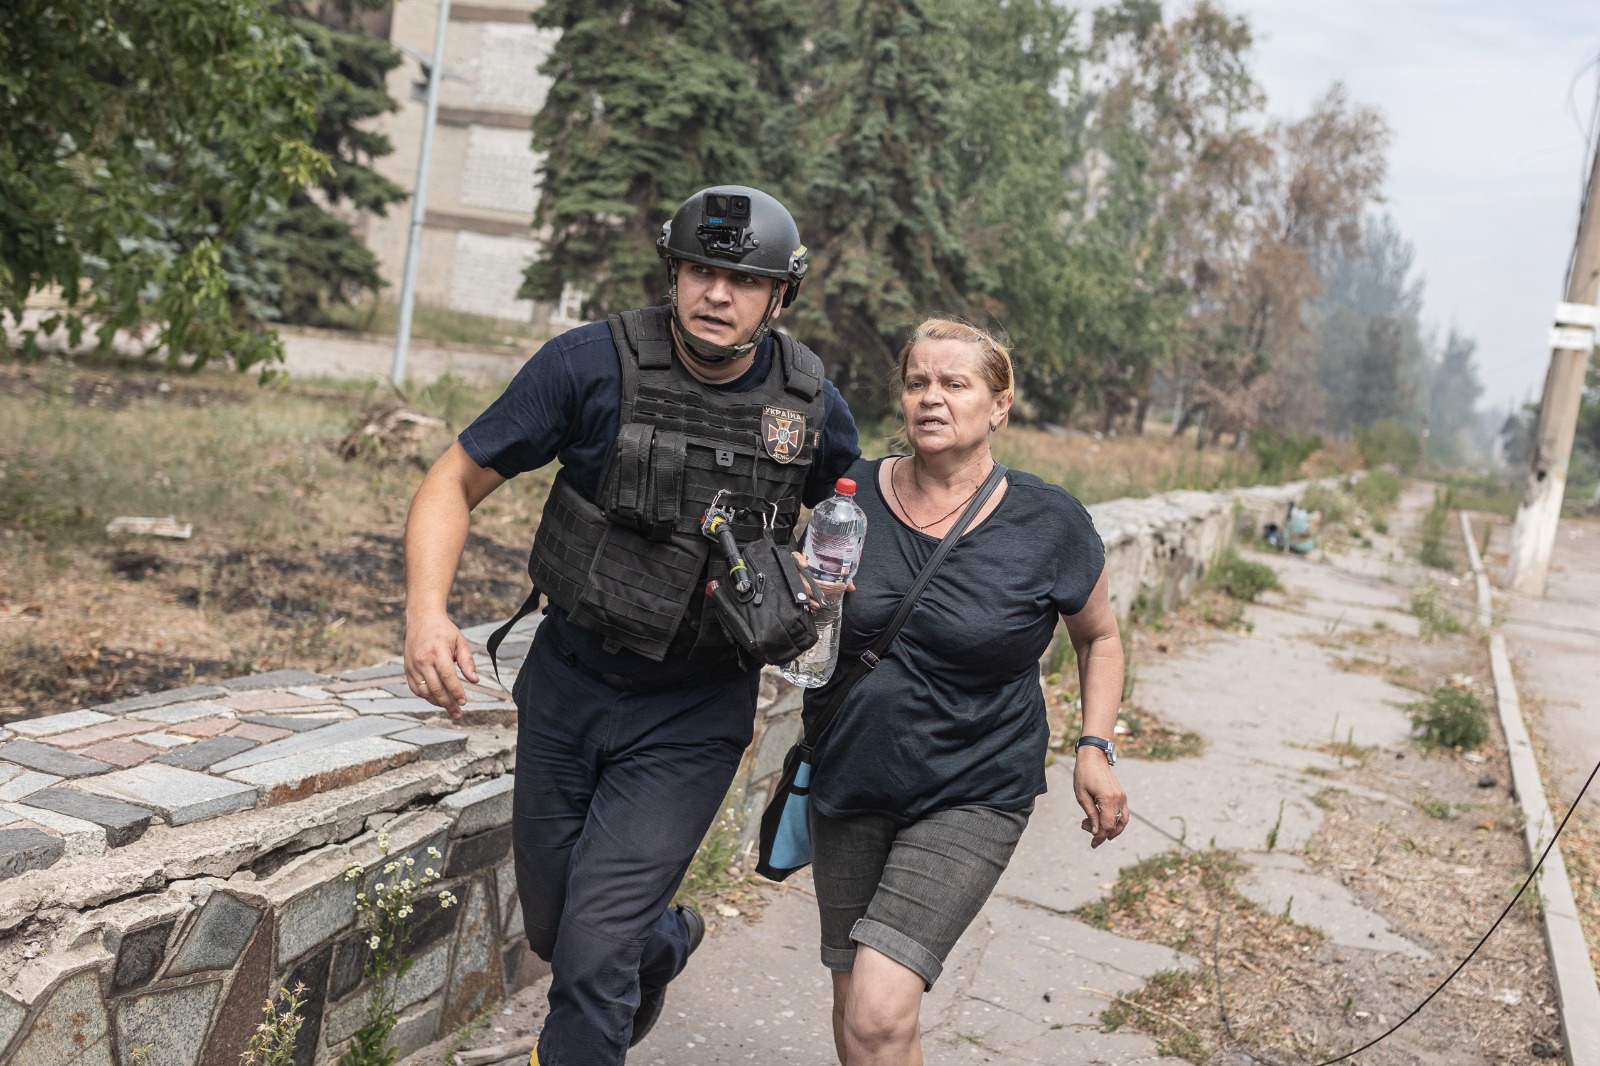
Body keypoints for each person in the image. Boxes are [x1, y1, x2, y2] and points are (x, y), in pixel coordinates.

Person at [402, 185, 860, 1066]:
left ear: (780, 295)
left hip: (694, 711)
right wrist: (428, 612)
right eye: (699, 270)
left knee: (591, 953)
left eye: (742, 278)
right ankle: (667, 941)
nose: (716, 294)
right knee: (556, 929)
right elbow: (451, 481)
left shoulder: (807, 405)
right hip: (569, 682)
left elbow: (862, 516)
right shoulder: (589, 365)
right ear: (674, 273)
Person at [802, 319, 1128, 1066]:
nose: (931, 399)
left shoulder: (1048, 522)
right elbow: (805, 618)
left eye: (955, 384)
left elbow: (1099, 637)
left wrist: (1094, 747)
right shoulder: (849, 496)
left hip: (972, 787)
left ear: (999, 403)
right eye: (918, 382)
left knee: (882, 1008)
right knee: (857, 1006)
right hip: (849, 772)